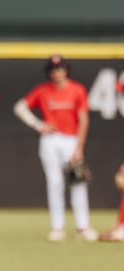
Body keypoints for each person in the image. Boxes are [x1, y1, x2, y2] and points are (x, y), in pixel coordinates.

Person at [13, 55, 98, 242]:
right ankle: (57, 228)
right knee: (55, 182)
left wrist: (79, 147)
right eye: (53, 69)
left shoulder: (77, 90)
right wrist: (37, 124)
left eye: (60, 68)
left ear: (66, 70)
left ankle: (82, 227)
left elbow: (84, 120)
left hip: (71, 140)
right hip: (50, 139)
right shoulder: (43, 91)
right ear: (49, 72)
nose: (57, 72)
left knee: (78, 181)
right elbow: (20, 107)